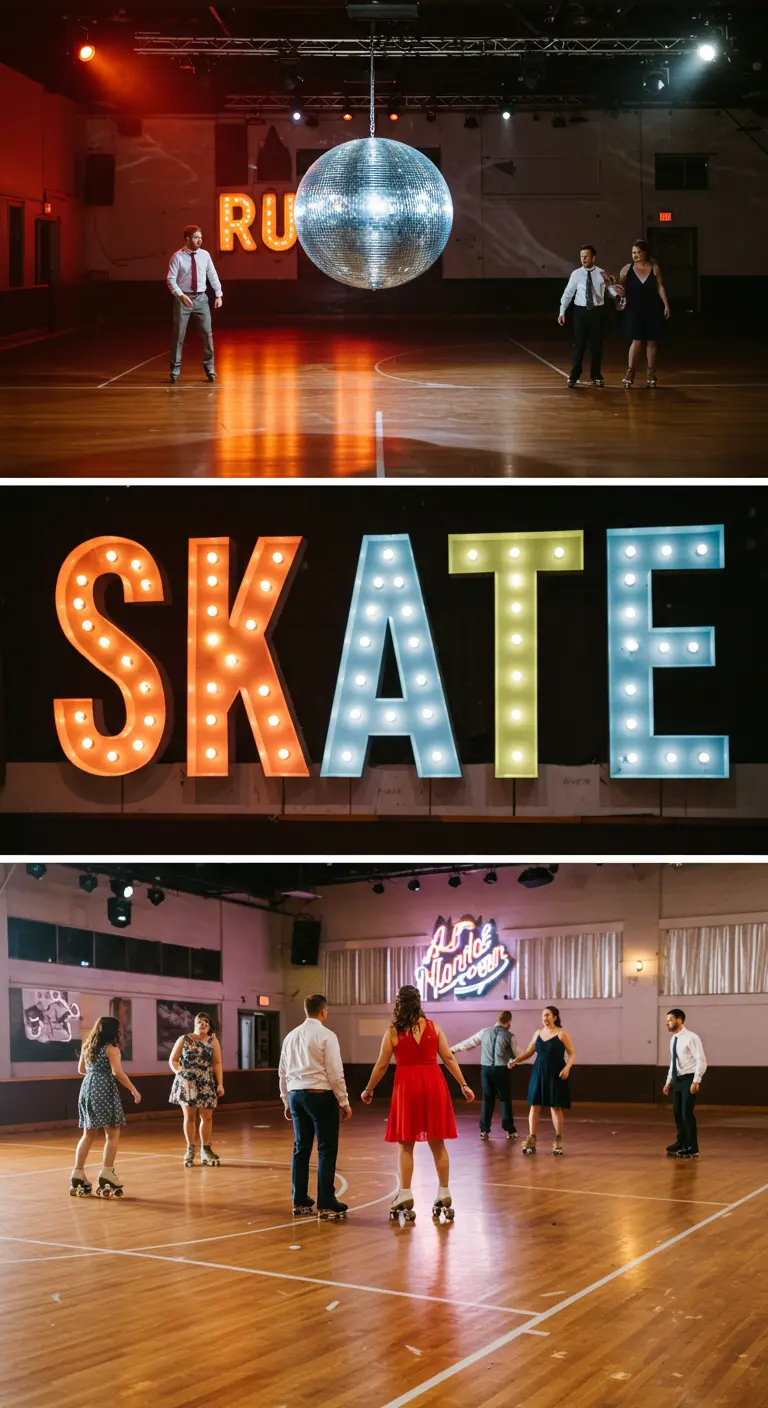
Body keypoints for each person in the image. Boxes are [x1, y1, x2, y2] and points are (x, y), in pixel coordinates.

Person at [361, 984, 475, 1223]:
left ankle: (405, 1193)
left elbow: (381, 1065)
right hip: (434, 1084)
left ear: (398, 1004)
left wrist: (369, 1089)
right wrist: (464, 1084)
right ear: (419, 1002)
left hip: (407, 1087)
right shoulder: (434, 1027)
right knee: (438, 1142)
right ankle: (444, 1192)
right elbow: (449, 1058)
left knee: (405, 1144)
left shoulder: (393, 1031)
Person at [278, 993, 351, 1220]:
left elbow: (282, 1071)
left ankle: (299, 1200)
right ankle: (326, 1202)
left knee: (301, 1149)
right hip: (320, 1096)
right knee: (326, 1149)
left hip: (296, 1096)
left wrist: (285, 1098)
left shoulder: (290, 1036)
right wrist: (344, 1101)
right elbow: (334, 1071)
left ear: (305, 1010)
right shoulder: (327, 1035)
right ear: (323, 1011)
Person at [71, 1015, 140, 1197]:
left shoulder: (88, 1046)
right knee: (112, 1132)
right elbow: (118, 1073)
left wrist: (94, 1071)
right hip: (103, 1088)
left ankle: (78, 1173)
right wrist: (134, 1090)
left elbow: (81, 1070)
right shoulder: (111, 1048)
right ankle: (107, 1172)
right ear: (114, 1031)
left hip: (87, 1087)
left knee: (88, 1133)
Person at [509, 1004, 575, 1156]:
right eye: (543, 1015)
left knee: (556, 1107)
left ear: (555, 1017)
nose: (545, 1018)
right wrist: (515, 1060)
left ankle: (558, 1140)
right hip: (538, 1072)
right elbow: (529, 1052)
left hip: (556, 1073)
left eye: (548, 1015)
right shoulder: (538, 1033)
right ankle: (532, 1138)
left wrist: (567, 1068)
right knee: (534, 1105)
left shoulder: (561, 1034)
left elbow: (572, 1054)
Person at [166, 224, 223, 384]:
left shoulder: (205, 255)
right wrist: (180, 295)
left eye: (201, 237)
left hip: (201, 298)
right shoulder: (178, 257)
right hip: (183, 298)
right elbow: (170, 279)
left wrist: (218, 294)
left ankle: (210, 368)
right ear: (187, 239)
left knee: (207, 334)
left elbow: (212, 274)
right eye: (197, 237)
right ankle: (175, 369)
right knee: (179, 335)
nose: (200, 240)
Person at [450, 1010, 519, 1141]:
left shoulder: (484, 1032)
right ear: (509, 1022)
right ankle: (510, 1130)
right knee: (504, 1099)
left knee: (487, 1100)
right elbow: (517, 1055)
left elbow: (469, 1042)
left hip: (486, 1070)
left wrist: (452, 1049)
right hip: (502, 1070)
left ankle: (484, 1130)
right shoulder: (509, 1035)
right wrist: (513, 1062)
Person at [558, 245, 621, 388]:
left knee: (596, 345)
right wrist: (562, 311)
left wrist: (616, 293)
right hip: (581, 312)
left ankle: (596, 375)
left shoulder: (602, 273)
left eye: (586, 256)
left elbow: (610, 290)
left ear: (593, 257)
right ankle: (575, 374)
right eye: (581, 256)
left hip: (597, 312)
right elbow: (568, 293)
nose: (583, 259)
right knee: (579, 344)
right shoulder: (576, 274)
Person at [169, 1012, 225, 1167]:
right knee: (190, 1117)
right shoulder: (184, 1039)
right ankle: (190, 1149)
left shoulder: (212, 1041)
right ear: (195, 1024)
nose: (203, 1024)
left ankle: (206, 1148)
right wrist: (180, 1073)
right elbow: (172, 1060)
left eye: (206, 1022)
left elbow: (218, 1063)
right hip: (187, 1082)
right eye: (200, 1021)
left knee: (207, 1116)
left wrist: (220, 1084)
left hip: (206, 1080)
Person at [618, 239, 671, 388]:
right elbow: (620, 288)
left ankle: (651, 372)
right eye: (633, 253)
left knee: (652, 340)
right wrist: (616, 288)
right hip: (634, 308)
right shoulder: (626, 269)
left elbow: (660, 287)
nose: (635, 255)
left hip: (652, 307)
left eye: (638, 252)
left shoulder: (654, 268)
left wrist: (666, 305)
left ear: (645, 253)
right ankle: (630, 372)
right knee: (636, 340)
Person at [663, 1008, 707, 1159]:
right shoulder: (673, 1039)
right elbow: (673, 1062)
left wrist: (696, 1080)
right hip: (677, 1079)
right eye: (667, 1020)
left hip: (689, 1078)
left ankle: (692, 1147)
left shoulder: (691, 1037)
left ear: (680, 1020)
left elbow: (701, 1060)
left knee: (686, 1113)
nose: (667, 1023)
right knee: (677, 1113)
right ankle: (681, 1143)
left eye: (670, 1020)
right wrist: (669, 1081)